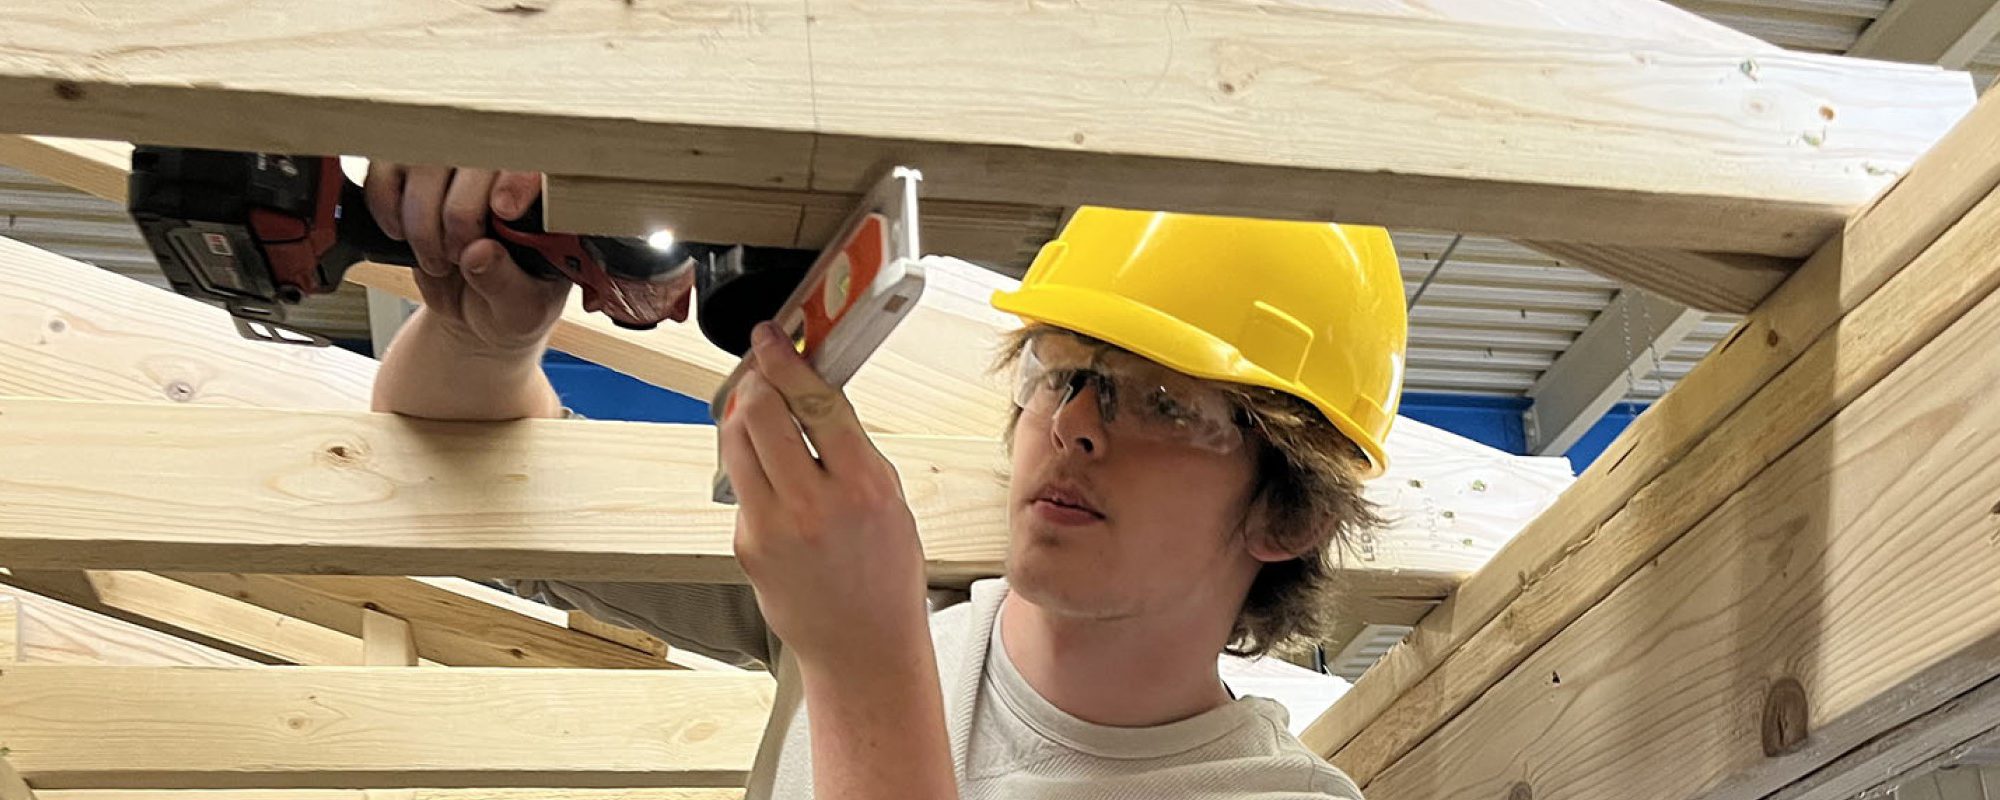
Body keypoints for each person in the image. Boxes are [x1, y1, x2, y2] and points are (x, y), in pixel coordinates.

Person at [366, 163, 1407, 800]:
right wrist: (483, 343)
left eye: (1166, 401)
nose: (1078, 423)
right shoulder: (882, 604)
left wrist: (864, 668)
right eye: (1066, 372)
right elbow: (475, 494)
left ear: (1290, 511)